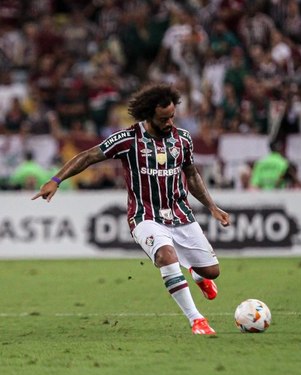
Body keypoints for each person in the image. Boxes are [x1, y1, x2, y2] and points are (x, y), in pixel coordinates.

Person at [32, 84, 230, 335]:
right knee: (166, 257)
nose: (169, 122)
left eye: (172, 116)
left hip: (180, 214)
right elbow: (88, 156)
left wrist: (212, 206)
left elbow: (191, 175)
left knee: (212, 271)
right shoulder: (128, 139)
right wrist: (56, 180)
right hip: (144, 216)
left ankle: (197, 274)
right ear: (148, 116)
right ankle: (196, 319)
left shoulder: (183, 139)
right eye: (163, 119)